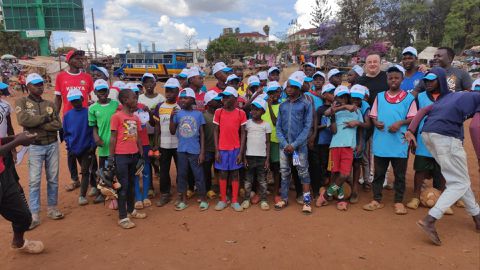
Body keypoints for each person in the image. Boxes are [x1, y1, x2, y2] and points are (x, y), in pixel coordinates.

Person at [404, 91, 480, 246]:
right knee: (458, 183)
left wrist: (411, 130)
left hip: (428, 134)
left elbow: (423, 110)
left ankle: (477, 217)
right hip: (446, 137)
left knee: (460, 179)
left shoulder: (455, 96)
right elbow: (475, 126)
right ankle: (430, 220)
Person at [364, 65, 417, 215]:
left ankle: (399, 201)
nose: (393, 80)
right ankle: (376, 199)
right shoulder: (380, 96)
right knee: (379, 172)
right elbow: (373, 115)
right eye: (390, 78)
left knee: (400, 174)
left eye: (396, 78)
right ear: (387, 79)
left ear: (402, 79)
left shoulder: (409, 98)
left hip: (399, 142)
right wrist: (375, 123)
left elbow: (413, 117)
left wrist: (400, 123)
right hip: (382, 141)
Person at [16, 73, 64, 229]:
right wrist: (45, 119)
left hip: (52, 145)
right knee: (34, 180)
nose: (40, 87)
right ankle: (34, 213)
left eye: (41, 84)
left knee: (53, 178)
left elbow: (58, 124)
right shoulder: (22, 101)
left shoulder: (50, 103)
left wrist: (36, 124)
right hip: (35, 146)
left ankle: (52, 208)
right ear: (28, 86)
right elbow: (23, 121)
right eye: (36, 84)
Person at [406, 68, 449, 211]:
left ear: (441, 81)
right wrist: (412, 138)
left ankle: (442, 201)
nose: (428, 83)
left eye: (432, 80)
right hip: (423, 140)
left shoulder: (449, 97)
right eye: (426, 80)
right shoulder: (421, 97)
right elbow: (415, 119)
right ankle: (416, 197)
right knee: (420, 170)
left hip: (443, 140)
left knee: (441, 170)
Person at [317, 85, 363, 211]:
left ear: (348, 97)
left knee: (344, 174)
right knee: (335, 173)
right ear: (335, 98)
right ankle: (341, 199)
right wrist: (337, 110)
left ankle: (326, 195)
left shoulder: (356, 111)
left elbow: (360, 129)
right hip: (335, 145)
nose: (342, 99)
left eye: (344, 97)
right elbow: (333, 129)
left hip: (349, 146)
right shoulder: (334, 111)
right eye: (339, 97)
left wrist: (359, 144)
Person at [54, 49, 94, 192]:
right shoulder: (61, 77)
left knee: (88, 148)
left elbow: (92, 98)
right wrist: (55, 118)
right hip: (68, 119)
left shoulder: (87, 77)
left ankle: (90, 179)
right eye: (76, 58)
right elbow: (58, 99)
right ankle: (74, 179)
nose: (80, 60)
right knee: (70, 150)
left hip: (85, 119)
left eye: (81, 58)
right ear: (69, 60)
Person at [0, 131, 45, 254]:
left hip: (3, 175)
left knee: (23, 216)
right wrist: (18, 141)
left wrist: (14, 137)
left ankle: (18, 242)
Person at [274, 71, 313, 214]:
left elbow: (307, 127)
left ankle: (307, 201)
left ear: (298, 88)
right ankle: (284, 198)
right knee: (284, 172)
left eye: (292, 87)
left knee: (303, 172)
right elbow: (278, 127)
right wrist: (285, 144)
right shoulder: (282, 106)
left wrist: (294, 145)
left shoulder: (306, 104)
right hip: (284, 147)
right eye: (287, 87)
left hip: (299, 148)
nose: (288, 89)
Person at [109, 89, 147, 229]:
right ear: (125, 100)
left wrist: (141, 155)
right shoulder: (117, 117)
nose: (136, 100)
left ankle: (131, 210)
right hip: (121, 156)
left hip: (134, 155)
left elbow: (137, 138)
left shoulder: (135, 118)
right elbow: (113, 138)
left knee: (131, 185)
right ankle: (123, 217)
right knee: (123, 187)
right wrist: (110, 158)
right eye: (134, 98)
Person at [170, 88, 208, 211]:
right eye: (181, 98)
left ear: (192, 100)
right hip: (181, 150)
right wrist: (171, 118)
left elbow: (202, 134)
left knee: (198, 175)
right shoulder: (178, 114)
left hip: (195, 150)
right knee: (182, 175)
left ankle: (203, 199)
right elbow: (172, 131)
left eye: (185, 98)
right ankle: (183, 200)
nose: (182, 100)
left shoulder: (198, 114)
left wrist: (202, 152)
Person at [213, 86, 247, 212]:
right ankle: (223, 199)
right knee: (222, 173)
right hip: (222, 148)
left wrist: (241, 152)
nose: (225, 99)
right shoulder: (219, 112)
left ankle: (234, 200)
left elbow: (243, 133)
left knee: (234, 174)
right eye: (223, 97)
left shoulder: (241, 113)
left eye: (228, 97)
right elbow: (216, 131)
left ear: (235, 99)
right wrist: (216, 150)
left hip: (235, 149)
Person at [63, 89, 96, 206]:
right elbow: (65, 133)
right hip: (73, 148)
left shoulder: (89, 112)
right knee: (83, 168)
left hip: (87, 147)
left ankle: (82, 195)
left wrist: (92, 145)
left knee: (85, 171)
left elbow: (93, 130)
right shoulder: (67, 116)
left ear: (82, 99)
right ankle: (93, 184)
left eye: (77, 100)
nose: (75, 103)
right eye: (73, 101)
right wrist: (69, 145)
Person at [88, 79, 119, 203]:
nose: (102, 93)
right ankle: (102, 192)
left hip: (116, 144)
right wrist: (96, 137)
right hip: (102, 144)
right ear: (95, 92)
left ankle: (116, 192)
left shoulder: (116, 105)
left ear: (108, 91)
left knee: (115, 169)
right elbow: (93, 125)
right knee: (102, 171)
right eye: (99, 91)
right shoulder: (93, 108)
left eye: (104, 90)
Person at [153, 78, 180, 207]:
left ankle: (181, 193)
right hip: (164, 144)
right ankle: (165, 193)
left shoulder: (181, 106)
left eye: (171, 91)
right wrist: (156, 143)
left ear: (178, 91)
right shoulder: (160, 106)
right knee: (163, 170)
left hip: (179, 145)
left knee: (181, 169)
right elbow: (157, 126)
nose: (168, 93)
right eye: (166, 91)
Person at [242, 98, 271, 210]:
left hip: (262, 157)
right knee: (248, 180)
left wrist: (267, 159)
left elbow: (268, 142)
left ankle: (263, 200)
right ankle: (246, 199)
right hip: (249, 156)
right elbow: (244, 141)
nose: (254, 112)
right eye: (252, 109)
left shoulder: (266, 125)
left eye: (257, 110)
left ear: (263, 112)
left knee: (262, 180)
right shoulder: (247, 123)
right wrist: (244, 157)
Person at [128, 83, 153, 210]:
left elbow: (151, 123)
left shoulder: (143, 108)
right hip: (131, 145)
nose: (135, 97)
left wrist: (148, 111)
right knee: (135, 172)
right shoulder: (121, 110)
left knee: (146, 169)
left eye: (136, 94)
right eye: (132, 94)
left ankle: (145, 196)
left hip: (144, 143)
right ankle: (138, 197)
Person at [348, 84, 371, 203]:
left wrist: (357, 123)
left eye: (358, 98)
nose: (355, 101)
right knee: (346, 163)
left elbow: (367, 125)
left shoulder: (365, 106)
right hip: (346, 138)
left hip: (359, 137)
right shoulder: (346, 103)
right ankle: (347, 185)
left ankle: (355, 187)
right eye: (353, 98)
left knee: (357, 162)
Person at [314, 83, 335, 206]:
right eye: (331, 93)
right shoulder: (320, 109)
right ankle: (321, 189)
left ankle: (329, 190)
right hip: (321, 142)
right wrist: (325, 126)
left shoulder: (336, 108)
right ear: (325, 95)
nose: (333, 95)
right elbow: (315, 126)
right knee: (321, 165)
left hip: (332, 142)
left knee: (330, 166)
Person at [262, 82, 282, 203]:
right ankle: (262, 192)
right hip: (263, 141)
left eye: (276, 92)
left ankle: (276, 193)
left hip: (275, 141)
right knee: (262, 168)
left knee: (276, 168)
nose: (273, 95)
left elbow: (275, 122)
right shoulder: (262, 105)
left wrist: (269, 106)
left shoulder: (282, 106)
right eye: (271, 93)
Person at [203, 90, 223, 200]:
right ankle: (208, 189)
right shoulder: (204, 116)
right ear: (208, 103)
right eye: (215, 100)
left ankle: (219, 188)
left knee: (219, 169)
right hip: (207, 149)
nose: (219, 101)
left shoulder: (221, 114)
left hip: (219, 148)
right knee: (206, 170)